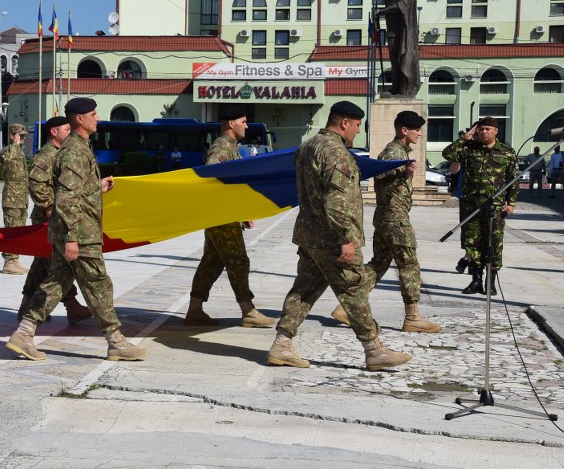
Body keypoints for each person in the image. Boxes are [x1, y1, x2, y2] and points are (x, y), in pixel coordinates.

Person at [266, 101, 411, 371]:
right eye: (357, 125)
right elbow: (337, 202)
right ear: (344, 123)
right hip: (332, 238)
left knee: (304, 289)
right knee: (354, 289)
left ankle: (281, 344)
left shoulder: (308, 146)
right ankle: (374, 350)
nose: (357, 131)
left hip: (309, 234)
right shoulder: (336, 152)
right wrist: (346, 238)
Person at [6, 97, 147, 362]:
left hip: (78, 230)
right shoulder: (74, 151)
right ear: (80, 119)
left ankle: (23, 333)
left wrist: (97, 187)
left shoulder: (78, 147)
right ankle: (116, 342)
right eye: (93, 114)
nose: (98, 118)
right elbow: (66, 198)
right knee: (98, 283)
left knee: (56, 283)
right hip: (81, 233)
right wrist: (72, 237)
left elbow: (75, 190)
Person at [332, 110, 441, 334]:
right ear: (404, 130)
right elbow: (382, 176)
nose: (420, 134)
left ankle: (347, 307)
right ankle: (412, 317)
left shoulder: (399, 151)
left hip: (388, 217)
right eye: (416, 130)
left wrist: (405, 174)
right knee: (409, 265)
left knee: (378, 264)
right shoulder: (394, 152)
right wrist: (404, 172)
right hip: (394, 218)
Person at [185, 105, 276, 328]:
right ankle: (248, 310)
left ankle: (194, 310)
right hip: (222, 217)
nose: (247, 126)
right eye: (243, 121)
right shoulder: (222, 147)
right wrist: (232, 209)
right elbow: (210, 175)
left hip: (222, 215)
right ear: (231, 123)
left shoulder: (231, 146)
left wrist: (242, 211)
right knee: (238, 261)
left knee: (212, 262)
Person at [19, 115, 91, 324]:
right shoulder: (47, 154)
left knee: (44, 262)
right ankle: (69, 306)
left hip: (57, 218)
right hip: (47, 219)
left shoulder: (62, 152)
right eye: (66, 129)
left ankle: (29, 305)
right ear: (54, 132)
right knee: (56, 263)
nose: (70, 133)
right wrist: (49, 207)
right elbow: (36, 183)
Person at [443, 117, 519, 295]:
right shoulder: (469, 149)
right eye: (481, 129)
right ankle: (475, 280)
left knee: (493, 243)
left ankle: (490, 281)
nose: (484, 132)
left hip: (495, 207)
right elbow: (448, 155)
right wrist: (464, 138)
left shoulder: (507, 152)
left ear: (495, 131)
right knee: (472, 243)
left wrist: (511, 204)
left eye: (487, 129)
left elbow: (513, 180)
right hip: (471, 206)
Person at [377, 0, 420, 97]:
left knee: (401, 58)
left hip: (402, 31)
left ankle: (404, 89)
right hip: (392, 29)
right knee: (394, 60)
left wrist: (383, 11)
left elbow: (403, 5)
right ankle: (396, 87)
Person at [0, 124, 30, 275]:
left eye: (24, 136)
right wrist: (15, 145)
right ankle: (9, 262)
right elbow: (6, 160)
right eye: (20, 135)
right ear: (12, 135)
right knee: (11, 230)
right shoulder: (8, 151)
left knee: (19, 230)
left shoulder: (20, 152)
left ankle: (15, 259)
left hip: (21, 199)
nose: (23, 138)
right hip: (11, 199)